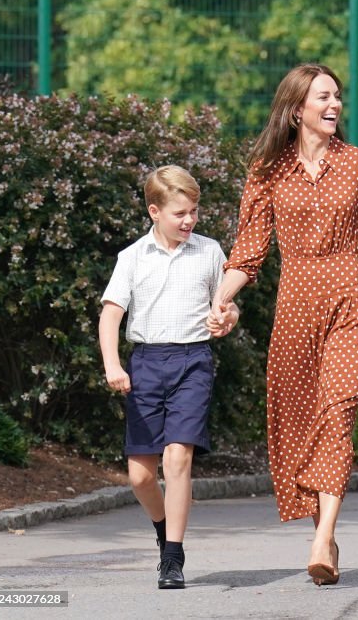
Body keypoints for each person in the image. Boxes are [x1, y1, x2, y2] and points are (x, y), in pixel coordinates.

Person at [208, 63, 358, 586]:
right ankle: (324, 529)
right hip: (294, 308)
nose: (334, 106)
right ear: (295, 108)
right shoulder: (267, 171)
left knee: (339, 411)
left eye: (338, 97)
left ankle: (322, 536)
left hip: (348, 301)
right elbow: (249, 249)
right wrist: (221, 300)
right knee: (302, 423)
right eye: (323, 97)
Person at [99, 165, 240, 590]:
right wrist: (113, 364)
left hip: (194, 361)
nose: (189, 220)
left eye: (194, 211)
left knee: (178, 456)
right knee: (141, 475)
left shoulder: (210, 252)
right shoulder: (132, 257)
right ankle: (163, 532)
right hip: (145, 364)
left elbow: (227, 306)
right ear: (154, 211)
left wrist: (228, 316)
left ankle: (173, 558)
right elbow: (110, 316)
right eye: (180, 213)